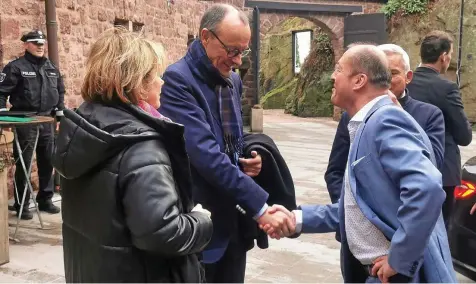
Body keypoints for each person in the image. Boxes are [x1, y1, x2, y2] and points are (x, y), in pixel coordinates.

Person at [265, 45, 456, 283]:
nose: (333, 76)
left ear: (359, 81)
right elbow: (359, 209)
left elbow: (426, 188)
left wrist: (399, 259)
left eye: (339, 69)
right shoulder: (367, 121)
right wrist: (297, 219)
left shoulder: (385, 119)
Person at [52, 27, 213, 283]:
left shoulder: (84, 128)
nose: (162, 81)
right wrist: (201, 221)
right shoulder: (141, 146)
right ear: (136, 83)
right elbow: (162, 233)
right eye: (155, 75)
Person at [159, 4, 293, 283]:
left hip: (235, 220)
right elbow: (206, 155)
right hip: (204, 219)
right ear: (206, 37)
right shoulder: (177, 81)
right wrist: (262, 208)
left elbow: (233, 138)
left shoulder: (232, 80)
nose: (238, 61)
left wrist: (249, 156)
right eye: (232, 50)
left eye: (243, 51)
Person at [325, 43, 445, 204]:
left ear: (408, 76)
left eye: (393, 73)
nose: (386, 79)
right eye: (381, 73)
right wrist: (347, 209)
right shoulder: (351, 115)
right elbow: (336, 171)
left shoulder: (429, 115)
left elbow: (431, 168)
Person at [407, 30, 472, 226]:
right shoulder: (447, 88)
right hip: (442, 172)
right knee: (440, 229)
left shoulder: (405, 83)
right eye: (450, 54)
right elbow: (464, 136)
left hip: (408, 166)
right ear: (443, 57)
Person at [0, 30, 64, 219]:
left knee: (47, 161)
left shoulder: (51, 67)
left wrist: (59, 112)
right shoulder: (15, 67)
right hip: (25, 121)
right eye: (35, 43)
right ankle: (22, 204)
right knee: (24, 163)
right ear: (26, 45)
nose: (40, 46)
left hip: (46, 120)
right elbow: (1, 93)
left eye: (42, 43)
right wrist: (4, 116)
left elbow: (60, 90)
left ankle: (45, 199)